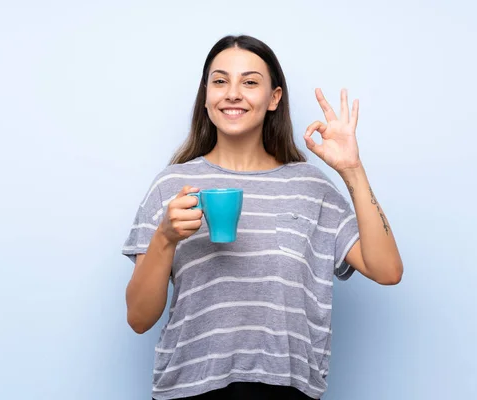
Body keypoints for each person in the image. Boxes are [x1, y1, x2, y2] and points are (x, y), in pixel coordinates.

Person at [122, 34, 403, 400]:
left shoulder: (310, 187)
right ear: (205, 95)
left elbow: (387, 271)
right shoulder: (172, 185)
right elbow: (139, 319)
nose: (233, 93)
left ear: (274, 98)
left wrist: (351, 169)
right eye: (220, 81)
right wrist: (164, 237)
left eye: (250, 82)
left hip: (288, 389)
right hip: (187, 391)